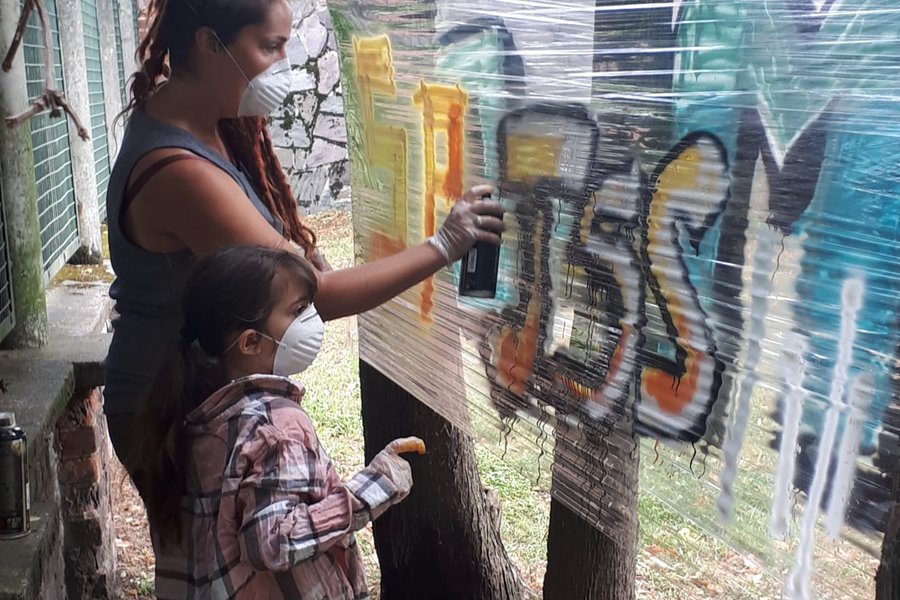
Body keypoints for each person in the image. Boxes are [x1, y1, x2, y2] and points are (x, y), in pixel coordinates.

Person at [103, 0, 504, 476]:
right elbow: (317, 297)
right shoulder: (182, 174)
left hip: (198, 398)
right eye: (270, 46)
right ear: (210, 44)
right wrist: (444, 245)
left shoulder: (203, 118)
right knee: (223, 551)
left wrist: (297, 250)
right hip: (166, 414)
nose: (284, 63)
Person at [139, 245, 424, 599]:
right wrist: (373, 488)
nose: (312, 320)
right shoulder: (275, 427)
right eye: (298, 311)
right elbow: (273, 543)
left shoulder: (189, 411)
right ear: (251, 342)